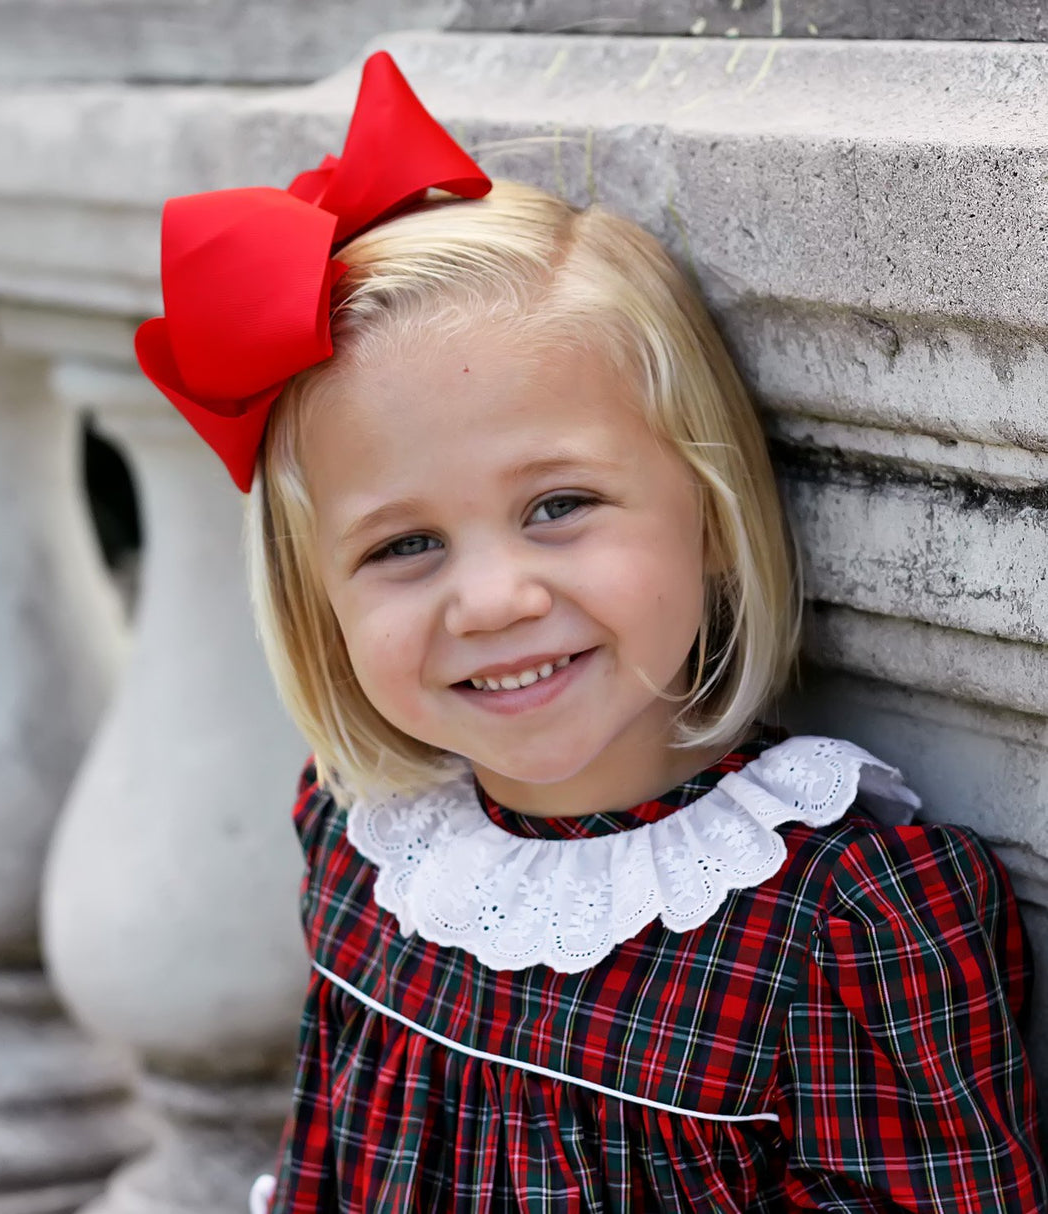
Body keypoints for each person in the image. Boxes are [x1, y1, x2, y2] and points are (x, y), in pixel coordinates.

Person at [137, 51, 1047, 1214]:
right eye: (401, 544)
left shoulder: (838, 921)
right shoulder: (363, 838)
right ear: (318, 598)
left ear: (712, 516)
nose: (491, 598)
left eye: (557, 506)